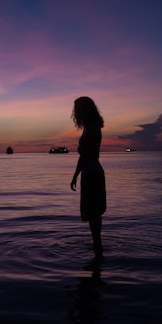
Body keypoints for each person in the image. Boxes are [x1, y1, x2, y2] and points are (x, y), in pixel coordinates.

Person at [70, 96, 106, 256]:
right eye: (77, 108)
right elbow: (85, 156)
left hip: (92, 173)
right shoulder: (92, 127)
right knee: (94, 214)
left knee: (93, 213)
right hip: (92, 172)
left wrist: (75, 175)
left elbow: (85, 155)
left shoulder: (91, 129)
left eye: (79, 108)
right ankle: (97, 245)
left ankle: (97, 246)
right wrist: (77, 174)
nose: (77, 112)